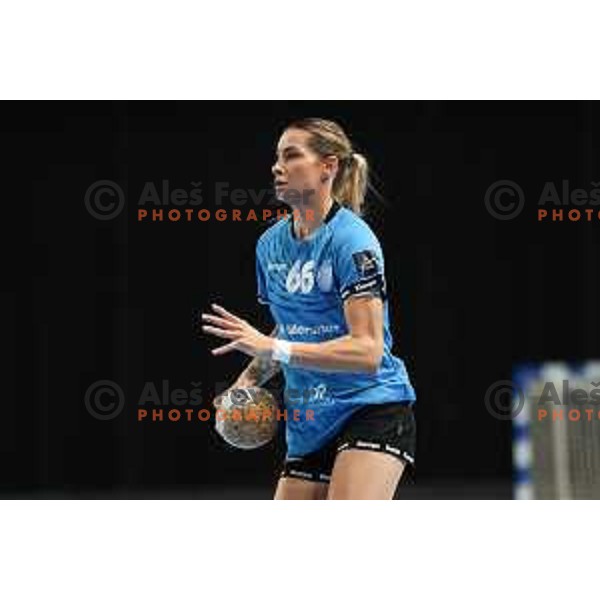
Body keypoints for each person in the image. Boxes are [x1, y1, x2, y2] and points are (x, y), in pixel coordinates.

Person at [202, 117, 416, 499]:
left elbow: (367, 352)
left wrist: (273, 349)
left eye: (292, 155)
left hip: (370, 407)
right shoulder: (269, 245)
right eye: (276, 157)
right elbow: (290, 329)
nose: (276, 166)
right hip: (311, 421)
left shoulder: (352, 240)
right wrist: (246, 382)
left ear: (328, 167)